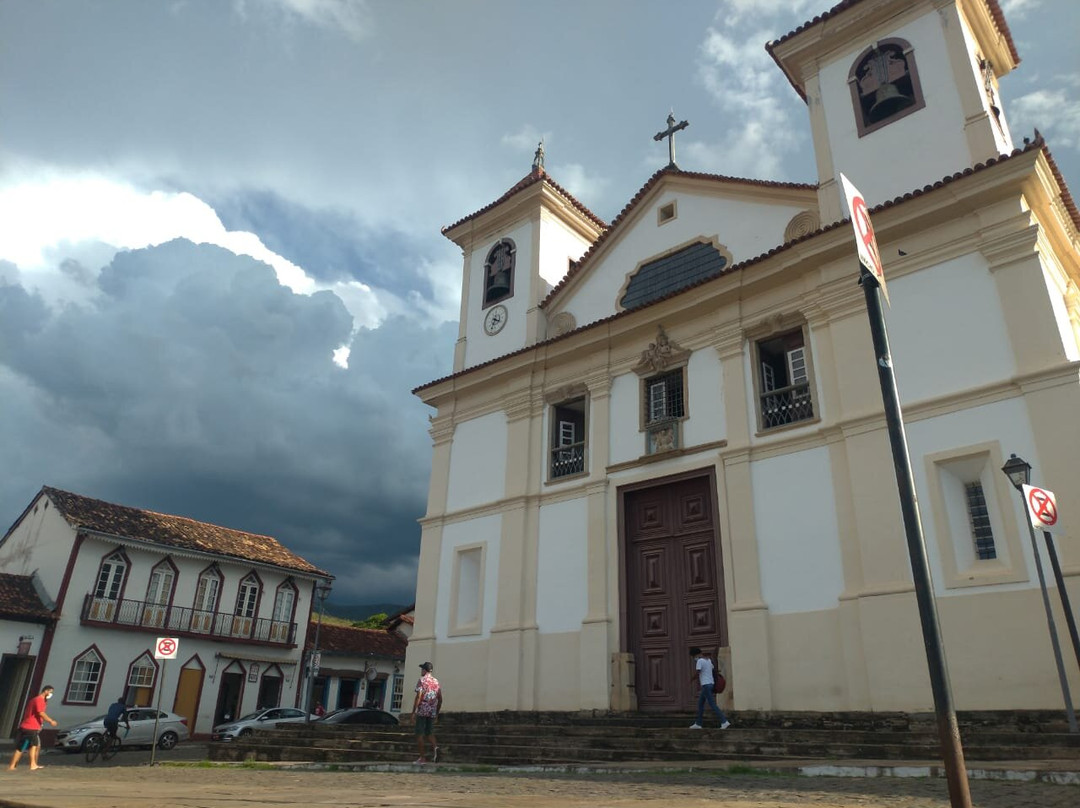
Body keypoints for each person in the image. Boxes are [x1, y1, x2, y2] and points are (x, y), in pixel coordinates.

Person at [8, 685, 58, 771]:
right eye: (50, 692)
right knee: (32, 745)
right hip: (30, 728)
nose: (51, 694)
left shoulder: (37, 700)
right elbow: (41, 713)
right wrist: (51, 721)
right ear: (46, 691)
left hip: (29, 727)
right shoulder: (39, 700)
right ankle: (31, 764)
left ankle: (15, 765)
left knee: (30, 746)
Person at [688, 647, 731, 730]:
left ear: (695, 655)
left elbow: (698, 672)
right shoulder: (708, 660)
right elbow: (712, 670)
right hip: (710, 684)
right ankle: (698, 723)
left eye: (693, 656)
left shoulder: (700, 661)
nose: (694, 658)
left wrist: (691, 679)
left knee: (712, 704)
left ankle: (724, 721)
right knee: (700, 704)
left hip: (706, 685)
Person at [411, 661, 442, 764]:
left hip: (422, 710)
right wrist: (436, 713)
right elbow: (440, 699)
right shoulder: (436, 682)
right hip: (432, 710)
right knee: (429, 733)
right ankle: (436, 747)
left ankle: (422, 758)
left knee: (419, 734)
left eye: (422, 669)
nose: (421, 671)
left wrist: (413, 712)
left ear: (425, 670)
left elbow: (419, 696)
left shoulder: (422, 680)